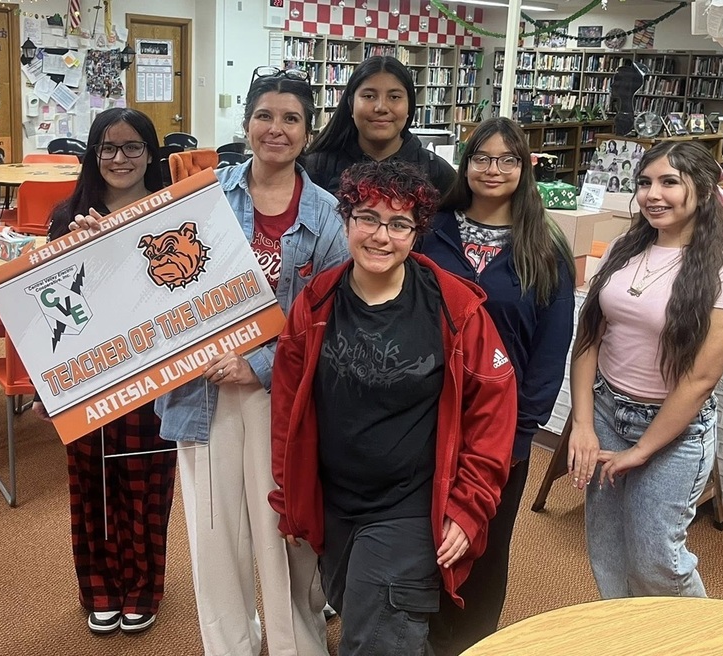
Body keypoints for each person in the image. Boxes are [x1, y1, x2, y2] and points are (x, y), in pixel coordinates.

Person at [269, 159, 518, 656]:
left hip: (409, 506)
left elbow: (492, 414)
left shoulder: (453, 308)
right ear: (346, 221)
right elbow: (288, 404)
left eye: (399, 224)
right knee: (361, 614)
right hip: (337, 503)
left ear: (415, 233)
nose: (381, 236)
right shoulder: (317, 302)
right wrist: (291, 494)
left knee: (373, 638)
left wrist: (468, 507)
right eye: (367, 217)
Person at [154, 67, 348, 656]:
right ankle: (232, 645)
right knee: (216, 537)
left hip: (281, 396)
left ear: (307, 133)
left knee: (284, 533)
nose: (276, 129)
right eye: (265, 115)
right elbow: (155, 276)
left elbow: (330, 321)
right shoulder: (202, 196)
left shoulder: (328, 216)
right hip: (200, 393)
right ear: (246, 123)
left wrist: (259, 366)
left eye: (291, 118)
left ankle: (300, 646)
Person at [419, 117, 576, 654]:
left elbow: (551, 350)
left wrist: (522, 433)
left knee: (485, 542)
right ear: (466, 164)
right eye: (482, 157)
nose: (493, 169)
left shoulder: (545, 244)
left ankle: (472, 643)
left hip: (501, 428)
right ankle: (424, 637)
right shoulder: (432, 229)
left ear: (524, 168)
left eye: (507, 159)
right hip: (425, 415)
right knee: (426, 535)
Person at [567, 139, 723, 599]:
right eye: (645, 182)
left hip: (673, 431)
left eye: (669, 182)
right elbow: (588, 340)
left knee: (657, 561)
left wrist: (643, 449)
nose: (653, 194)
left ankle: (704, 643)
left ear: (704, 191)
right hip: (608, 414)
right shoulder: (623, 250)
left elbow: (701, 379)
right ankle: (626, 640)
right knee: (607, 550)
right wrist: (583, 425)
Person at [33, 107, 176, 635]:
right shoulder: (67, 216)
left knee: (146, 485)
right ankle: (99, 587)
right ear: (94, 156)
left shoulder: (172, 215)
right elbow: (44, 308)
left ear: (151, 154)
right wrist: (79, 248)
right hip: (87, 377)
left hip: (154, 375)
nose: (120, 158)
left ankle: (143, 588)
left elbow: (182, 292)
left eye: (133, 147)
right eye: (108, 148)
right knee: (90, 485)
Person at [304, 55, 456, 195]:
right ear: (351, 105)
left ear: (409, 106)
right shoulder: (317, 166)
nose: (381, 107)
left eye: (394, 97)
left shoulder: (437, 172)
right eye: (369, 96)